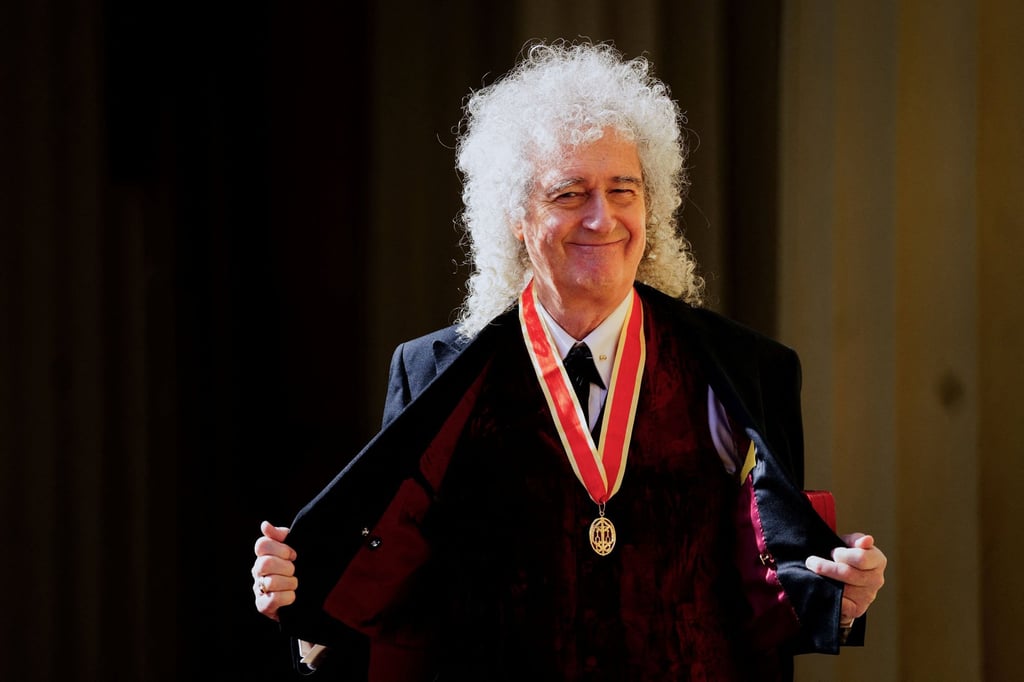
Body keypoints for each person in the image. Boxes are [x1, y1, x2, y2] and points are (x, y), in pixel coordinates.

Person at [251, 40, 886, 681]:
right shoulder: (434, 374)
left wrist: (841, 596)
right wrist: (303, 594)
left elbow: (764, 586)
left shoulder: (747, 368)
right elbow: (397, 586)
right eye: (569, 193)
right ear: (517, 217)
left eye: (623, 190)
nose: (602, 217)